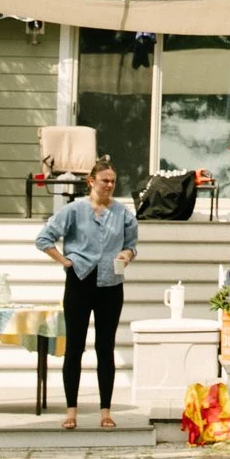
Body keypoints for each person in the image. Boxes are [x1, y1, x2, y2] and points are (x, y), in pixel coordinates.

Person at [34, 157, 137, 429]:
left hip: (111, 284)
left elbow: (131, 245)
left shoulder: (123, 214)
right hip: (79, 281)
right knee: (75, 347)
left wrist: (127, 255)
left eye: (113, 181)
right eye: (105, 180)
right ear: (91, 181)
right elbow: (43, 239)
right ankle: (71, 412)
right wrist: (64, 261)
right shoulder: (74, 210)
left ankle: (105, 412)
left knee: (105, 347)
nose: (110, 185)